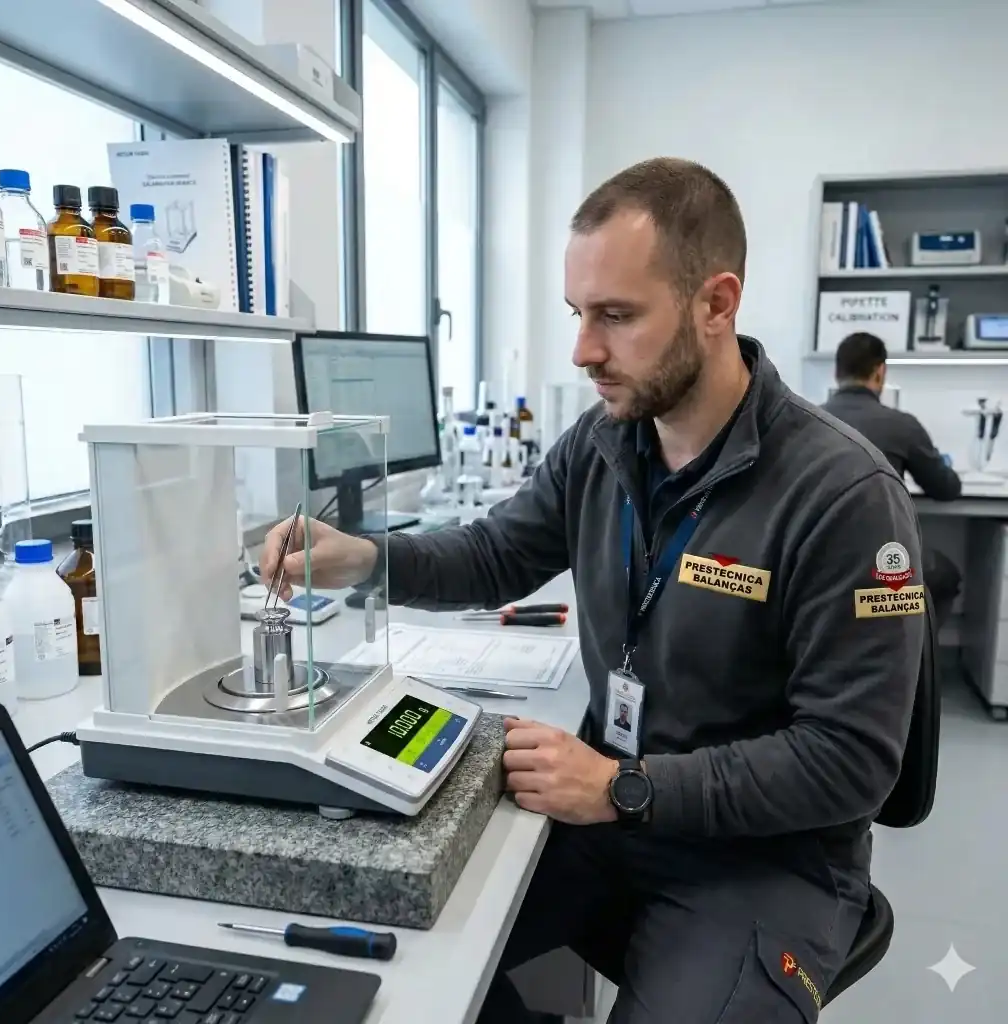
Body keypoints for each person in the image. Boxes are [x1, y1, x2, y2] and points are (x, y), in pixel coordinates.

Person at [262, 158, 925, 1023]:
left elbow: (850, 762)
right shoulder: (606, 442)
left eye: (616, 316)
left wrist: (623, 788)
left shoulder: (841, 496)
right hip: (614, 813)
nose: (583, 351)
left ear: (717, 305)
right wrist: (367, 559)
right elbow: (498, 553)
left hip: (763, 858)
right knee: (384, 945)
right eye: (579, 315)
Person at [822, 332, 962, 627]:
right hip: (881, 561)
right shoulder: (902, 425)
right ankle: (917, 658)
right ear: (880, 371)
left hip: (820, 562)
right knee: (945, 576)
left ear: (837, 372)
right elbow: (946, 488)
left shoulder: (806, 421)